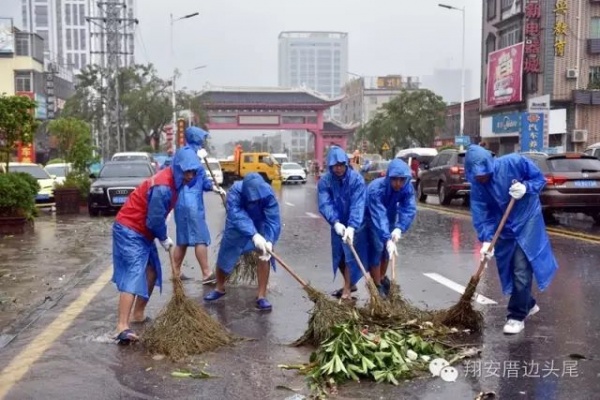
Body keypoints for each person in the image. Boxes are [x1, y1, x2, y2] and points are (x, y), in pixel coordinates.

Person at [464, 144, 559, 335]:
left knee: (521, 268)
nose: (481, 177)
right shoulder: (478, 187)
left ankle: (516, 316)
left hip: (526, 220)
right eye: (477, 175)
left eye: (484, 173)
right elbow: (481, 214)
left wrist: (526, 187)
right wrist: (485, 240)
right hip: (503, 227)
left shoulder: (514, 162)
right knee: (507, 268)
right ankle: (528, 303)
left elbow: (539, 179)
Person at [111, 146, 201, 344]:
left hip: (144, 231)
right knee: (134, 273)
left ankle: (139, 314)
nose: (190, 176)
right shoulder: (163, 186)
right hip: (129, 228)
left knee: (152, 271)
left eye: (193, 172)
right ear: (178, 168)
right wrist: (163, 237)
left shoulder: (175, 182)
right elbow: (153, 220)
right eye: (187, 171)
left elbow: (156, 217)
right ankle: (121, 326)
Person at [203, 173, 281, 311]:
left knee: (264, 255)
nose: (254, 201)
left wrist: (269, 240)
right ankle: (219, 288)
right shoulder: (235, 191)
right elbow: (236, 214)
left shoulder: (268, 193)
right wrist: (254, 235)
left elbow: (273, 219)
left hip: (260, 223)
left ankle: (261, 296)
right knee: (225, 253)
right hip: (237, 225)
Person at [172, 126, 226, 283]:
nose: (203, 141)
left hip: (186, 200)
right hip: (189, 201)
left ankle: (176, 272)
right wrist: (198, 165)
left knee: (183, 239)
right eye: (202, 138)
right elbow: (190, 176)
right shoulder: (188, 153)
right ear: (195, 137)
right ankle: (206, 273)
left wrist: (212, 187)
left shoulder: (189, 153)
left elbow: (199, 178)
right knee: (200, 237)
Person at [361, 159, 416, 296]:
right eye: (395, 180)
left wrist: (399, 228)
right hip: (372, 215)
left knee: (387, 251)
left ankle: (381, 277)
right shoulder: (376, 189)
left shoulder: (406, 187)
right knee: (378, 247)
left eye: (401, 180)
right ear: (388, 178)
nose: (398, 183)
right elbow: (379, 216)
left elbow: (408, 209)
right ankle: (377, 284)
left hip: (390, 214)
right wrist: (386, 238)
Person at [317, 146, 367, 300]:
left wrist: (352, 226)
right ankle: (349, 283)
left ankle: (347, 288)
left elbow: (358, 204)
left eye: (341, 165)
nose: (338, 169)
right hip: (337, 222)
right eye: (335, 166)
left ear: (346, 164)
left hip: (355, 222)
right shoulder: (325, 181)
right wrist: (336, 222)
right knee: (338, 255)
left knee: (349, 254)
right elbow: (325, 203)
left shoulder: (356, 179)